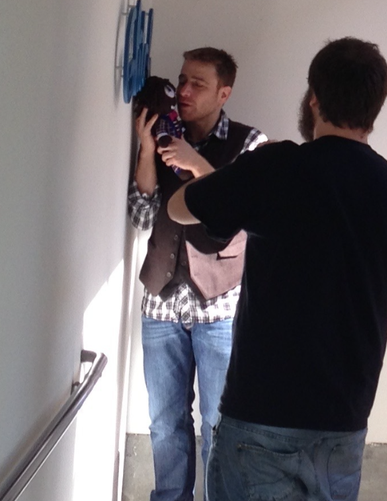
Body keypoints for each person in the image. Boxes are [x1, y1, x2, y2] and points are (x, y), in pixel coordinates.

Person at [166, 37, 387, 501]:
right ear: (375, 107)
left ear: (314, 99)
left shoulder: (277, 166)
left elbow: (179, 209)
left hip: (263, 416)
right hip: (344, 424)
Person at [128, 47, 265, 501]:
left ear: (224, 93)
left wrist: (196, 163)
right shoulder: (164, 132)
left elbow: (252, 215)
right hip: (160, 302)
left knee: (217, 423)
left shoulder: (251, 145)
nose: (183, 90)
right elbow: (142, 214)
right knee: (164, 422)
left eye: (198, 84)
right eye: (182, 80)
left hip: (221, 308)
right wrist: (148, 151)